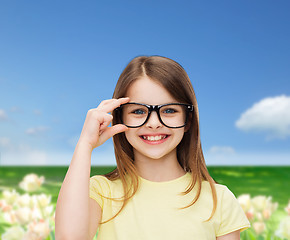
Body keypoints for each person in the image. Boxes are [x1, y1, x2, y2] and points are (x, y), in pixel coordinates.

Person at [55, 56, 250, 240]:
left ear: (187, 121)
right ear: (120, 117)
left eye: (169, 110)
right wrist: (85, 145)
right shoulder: (101, 191)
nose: (154, 123)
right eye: (139, 111)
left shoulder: (219, 199)